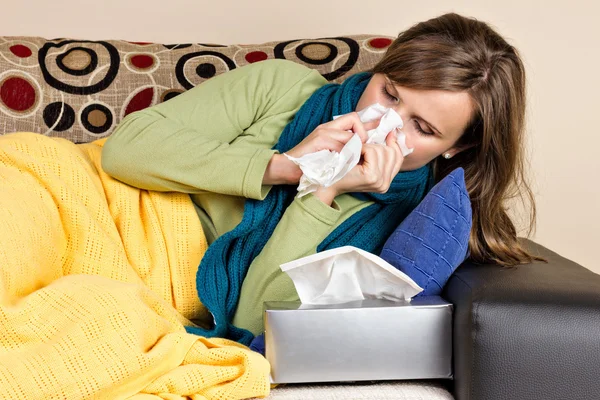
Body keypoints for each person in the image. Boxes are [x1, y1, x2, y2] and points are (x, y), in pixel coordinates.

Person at [99, 13, 541, 342]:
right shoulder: (281, 87)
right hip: (102, 204)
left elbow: (257, 320)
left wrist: (324, 190)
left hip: (145, 277)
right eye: (388, 92)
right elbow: (126, 149)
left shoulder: (399, 224)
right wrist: (287, 166)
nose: (383, 123)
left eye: (421, 128)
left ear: (455, 147)